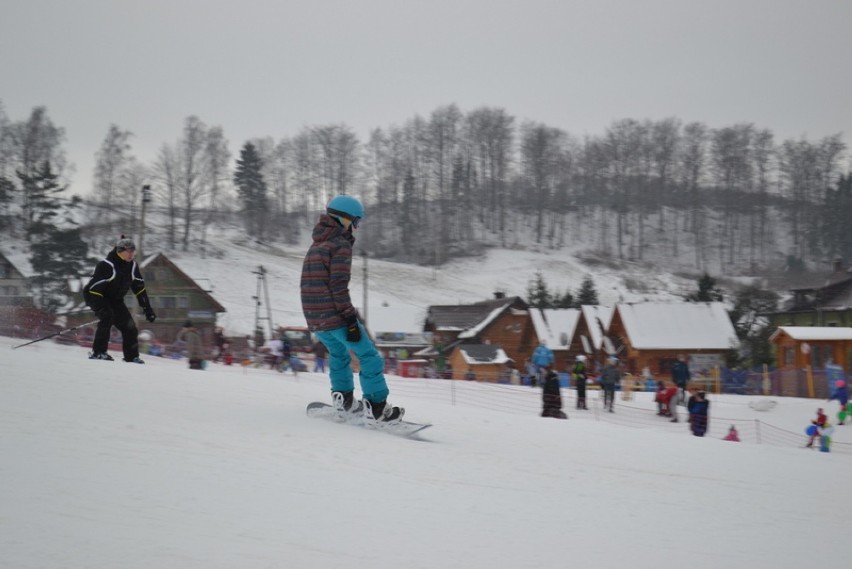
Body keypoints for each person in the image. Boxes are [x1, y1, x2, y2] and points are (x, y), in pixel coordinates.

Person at [300, 195, 402, 423]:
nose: (356, 227)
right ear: (343, 218)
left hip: (315, 318)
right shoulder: (339, 245)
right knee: (370, 357)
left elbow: (308, 285)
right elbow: (338, 286)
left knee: (338, 354)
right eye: (355, 221)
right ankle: (377, 409)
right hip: (335, 316)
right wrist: (349, 319)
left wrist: (316, 318)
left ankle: (343, 401)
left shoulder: (316, 245)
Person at [82, 235, 156, 363]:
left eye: (133, 252)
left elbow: (140, 290)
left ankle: (131, 356)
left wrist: (147, 309)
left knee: (130, 327)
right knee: (107, 316)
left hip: (115, 300)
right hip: (96, 295)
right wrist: (103, 309)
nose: (132, 254)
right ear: (120, 251)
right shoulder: (106, 265)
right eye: (129, 251)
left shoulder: (132, 267)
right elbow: (93, 288)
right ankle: (99, 352)